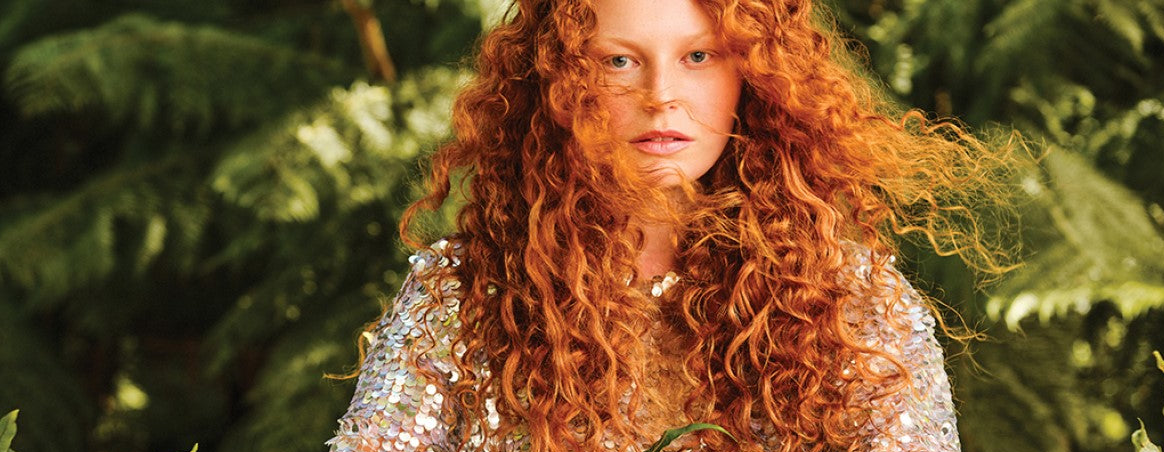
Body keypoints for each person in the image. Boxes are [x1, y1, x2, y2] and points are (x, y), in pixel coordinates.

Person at [328, 0, 1014, 450]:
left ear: (754, 75)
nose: (661, 97)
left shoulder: (852, 299)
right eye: (618, 61)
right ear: (558, 83)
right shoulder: (463, 293)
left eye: (698, 56)